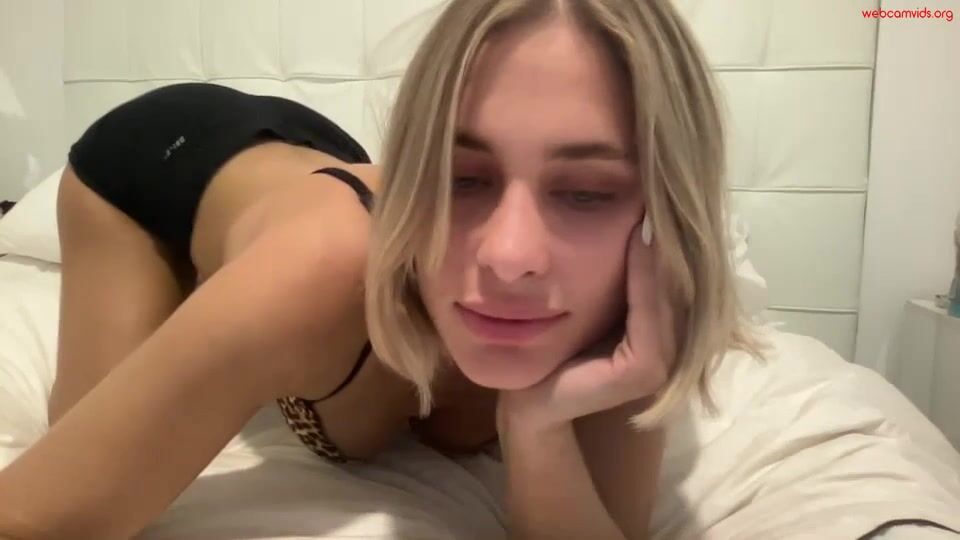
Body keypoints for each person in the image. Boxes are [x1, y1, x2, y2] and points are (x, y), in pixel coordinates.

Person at [0, 0, 755, 538]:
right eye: (461, 177)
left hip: (302, 157)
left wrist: (536, 424)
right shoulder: (319, 273)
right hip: (155, 158)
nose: (508, 256)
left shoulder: (638, 293)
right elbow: (31, 518)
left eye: (586, 192)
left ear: (661, 209)